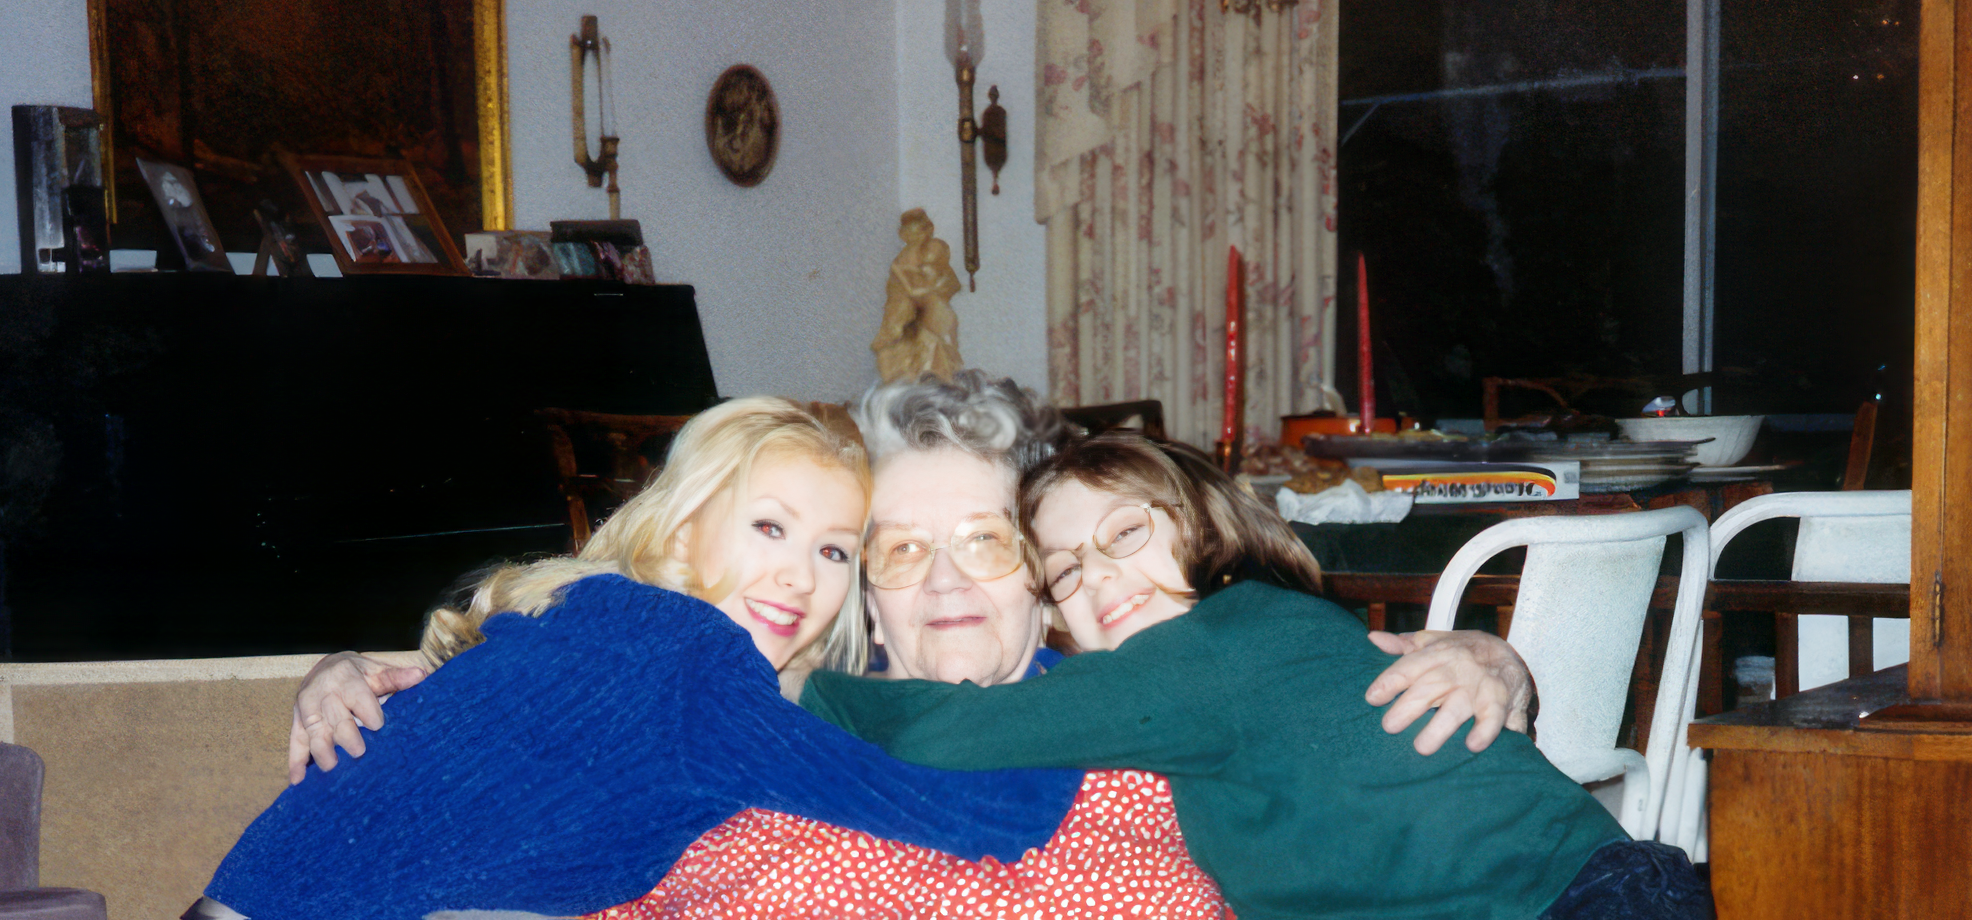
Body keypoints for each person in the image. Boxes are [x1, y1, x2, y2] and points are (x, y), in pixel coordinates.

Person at [285, 372, 1542, 917]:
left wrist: (1494, 663)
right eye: (892, 547)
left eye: (988, 542)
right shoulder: (759, 707)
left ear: (1047, 581)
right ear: (857, 585)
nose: (942, 578)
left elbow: (1348, 699)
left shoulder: (1150, 690)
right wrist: (389, 677)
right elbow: (521, 751)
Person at [196, 397, 1080, 920]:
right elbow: (991, 819)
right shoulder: (694, 667)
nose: (799, 576)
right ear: (687, 524)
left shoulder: (581, 610)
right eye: (769, 526)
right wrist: (1076, 685)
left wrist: (343, 663)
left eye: (835, 551)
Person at [801, 430, 1714, 920]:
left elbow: (943, 732)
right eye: (1069, 569)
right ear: (1052, 609)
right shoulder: (1195, 678)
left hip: (1580, 901)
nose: (1104, 577)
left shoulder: (1207, 653)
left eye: (1124, 535)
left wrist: (798, 681)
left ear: (1202, 527)